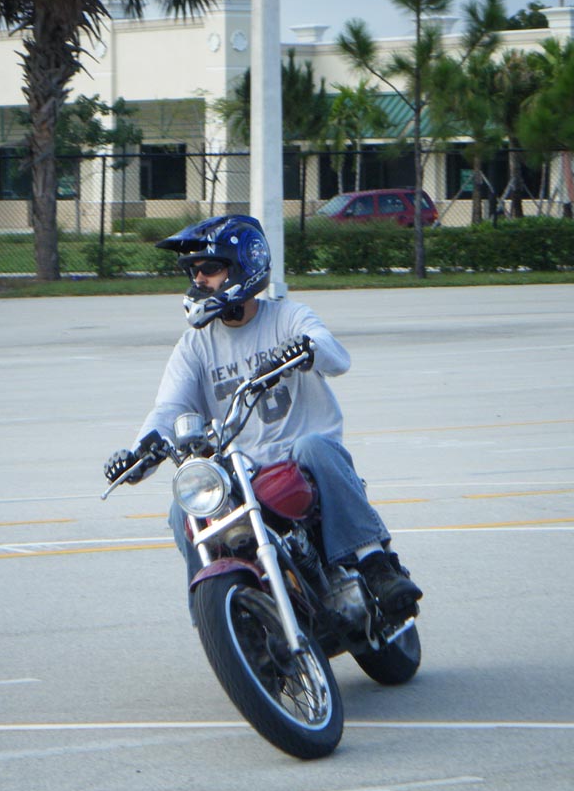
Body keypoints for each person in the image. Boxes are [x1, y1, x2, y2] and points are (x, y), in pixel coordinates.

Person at [103, 214, 422, 616]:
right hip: (244, 472)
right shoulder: (194, 346)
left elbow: (335, 355)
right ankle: (215, 611)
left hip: (301, 463)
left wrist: (308, 349)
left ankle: (376, 564)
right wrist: (138, 456)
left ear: (243, 267)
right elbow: (169, 408)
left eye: (210, 268)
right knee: (183, 505)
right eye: (193, 271)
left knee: (314, 446)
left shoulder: (287, 317)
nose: (199, 279)